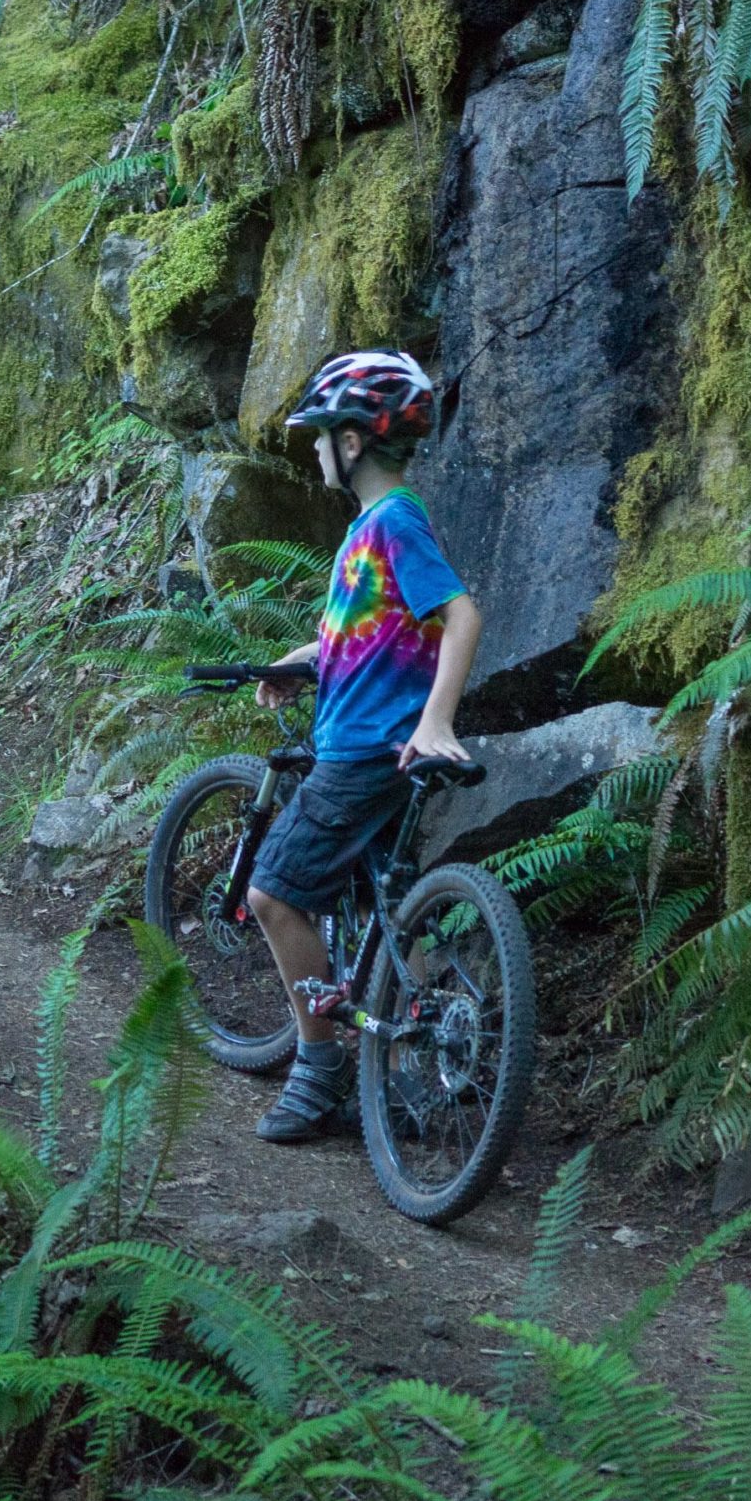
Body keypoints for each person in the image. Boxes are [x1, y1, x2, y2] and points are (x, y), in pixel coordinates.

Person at [247, 349, 482, 1144]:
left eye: (319, 435)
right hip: (370, 746)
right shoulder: (368, 532)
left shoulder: (394, 521)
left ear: (350, 443)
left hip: (364, 754)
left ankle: (316, 1073)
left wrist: (436, 722)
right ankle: (414, 1075)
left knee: (273, 895)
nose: (312, 449)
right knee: (385, 914)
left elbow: (461, 616)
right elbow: (366, 638)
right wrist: (298, 662)